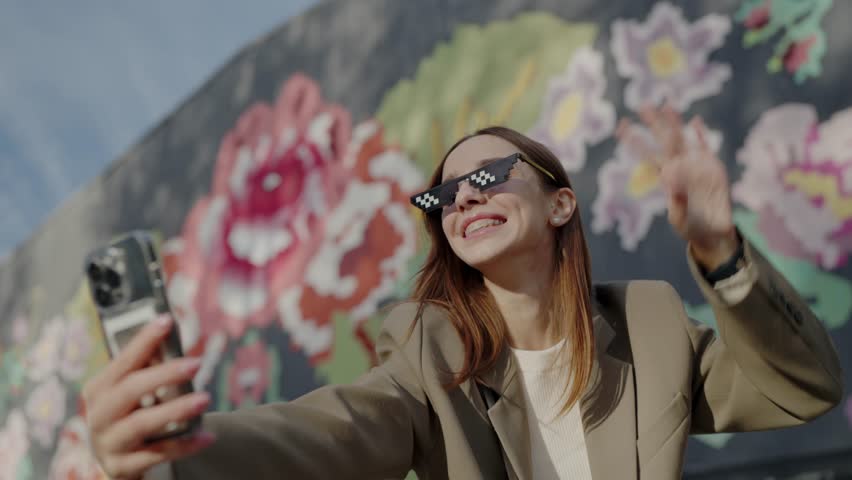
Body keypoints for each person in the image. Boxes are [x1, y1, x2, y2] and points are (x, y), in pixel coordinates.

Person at [83, 106, 844, 480]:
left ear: (561, 203)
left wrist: (721, 253)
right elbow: (334, 433)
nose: (463, 198)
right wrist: (176, 453)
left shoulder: (650, 324)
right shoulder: (428, 349)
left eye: (486, 176)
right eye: (442, 195)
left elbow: (802, 389)